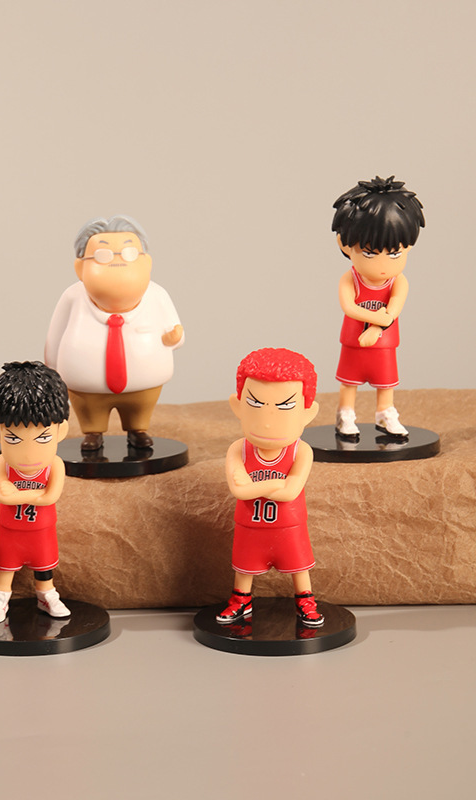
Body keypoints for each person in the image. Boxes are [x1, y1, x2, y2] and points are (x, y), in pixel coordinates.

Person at [44, 215, 183, 451]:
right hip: (85, 385)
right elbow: (54, 335)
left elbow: (175, 331)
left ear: (147, 262)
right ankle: (92, 432)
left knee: (140, 411)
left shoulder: (157, 295)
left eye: (129, 254)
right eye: (103, 256)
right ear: (80, 267)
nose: (118, 262)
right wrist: (52, 370)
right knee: (90, 412)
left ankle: (138, 429)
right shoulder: (72, 297)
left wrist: (174, 337)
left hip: (145, 382)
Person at [217, 348, 324, 627]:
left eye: (285, 406)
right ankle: (240, 601)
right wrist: (277, 483)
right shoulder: (239, 449)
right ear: (238, 406)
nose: (267, 420)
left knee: (299, 569)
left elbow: (290, 492)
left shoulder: (301, 451)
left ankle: (306, 603)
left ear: (307, 413)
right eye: (255, 404)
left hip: (289, 526)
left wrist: (255, 485)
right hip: (250, 527)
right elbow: (238, 491)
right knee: (244, 569)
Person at [331, 176, 425, 438]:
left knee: (386, 384)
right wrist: (377, 321)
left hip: (384, 344)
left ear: (408, 247)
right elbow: (349, 307)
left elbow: (394, 309)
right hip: (353, 341)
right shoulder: (349, 279)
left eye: (394, 254)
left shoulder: (399, 281)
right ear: (344, 245)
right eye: (370, 253)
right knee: (349, 382)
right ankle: (345, 414)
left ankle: (385, 414)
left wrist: (375, 329)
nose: (383, 264)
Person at [0, 361, 71, 624]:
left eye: (43, 438)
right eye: (13, 439)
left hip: (42, 530)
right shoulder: (1, 463)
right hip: (10, 530)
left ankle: (47, 596)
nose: (29, 454)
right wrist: (36, 495)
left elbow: (50, 497)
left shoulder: (55, 465)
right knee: (4, 567)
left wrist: (18, 495)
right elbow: (2, 496)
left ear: (61, 431)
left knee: (45, 568)